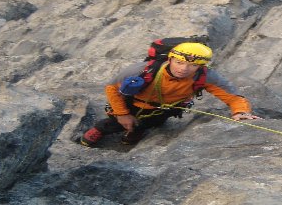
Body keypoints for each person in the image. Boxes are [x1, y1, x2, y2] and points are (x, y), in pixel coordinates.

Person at [79, 41, 260, 148]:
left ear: (200, 66)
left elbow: (233, 96)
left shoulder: (205, 77)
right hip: (133, 102)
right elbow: (112, 88)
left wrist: (240, 112)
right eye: (179, 62)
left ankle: (136, 131)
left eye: (192, 65)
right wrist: (122, 114)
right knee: (113, 123)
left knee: (151, 123)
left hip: (166, 109)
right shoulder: (143, 70)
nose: (184, 69)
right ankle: (99, 130)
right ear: (170, 59)